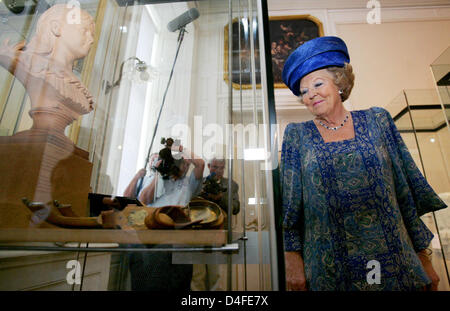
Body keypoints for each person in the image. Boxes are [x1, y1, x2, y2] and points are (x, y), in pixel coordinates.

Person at [280, 36, 447, 291]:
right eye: (304, 91)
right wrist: (292, 262)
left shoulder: (377, 120)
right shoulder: (296, 135)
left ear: (339, 83)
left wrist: (424, 259)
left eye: (317, 83)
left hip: (395, 262)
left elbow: (405, 193)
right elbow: (290, 209)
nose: (311, 94)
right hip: (329, 269)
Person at [123, 142, 205, 291]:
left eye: (187, 164)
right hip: (152, 237)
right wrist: (159, 173)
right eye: (182, 163)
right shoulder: (155, 179)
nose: (185, 167)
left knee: (178, 283)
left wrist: (180, 149)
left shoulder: (189, 183)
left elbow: (200, 164)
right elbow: (143, 200)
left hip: (178, 239)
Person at [190, 157, 240, 291]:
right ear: (208, 166)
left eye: (221, 168)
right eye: (214, 167)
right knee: (197, 276)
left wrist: (221, 198)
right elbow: (189, 204)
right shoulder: (199, 182)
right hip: (197, 235)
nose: (218, 170)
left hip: (217, 235)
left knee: (216, 276)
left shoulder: (231, 185)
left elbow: (235, 208)